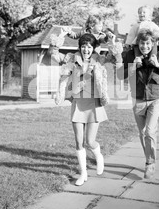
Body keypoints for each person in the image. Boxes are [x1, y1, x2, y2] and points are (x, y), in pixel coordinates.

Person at [49, 29, 122, 186]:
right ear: (80, 47)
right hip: (78, 103)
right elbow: (54, 55)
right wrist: (59, 37)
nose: (86, 49)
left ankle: (98, 156)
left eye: (89, 46)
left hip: (94, 104)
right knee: (79, 142)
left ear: (93, 48)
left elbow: (116, 59)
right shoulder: (72, 59)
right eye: (83, 46)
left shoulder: (99, 60)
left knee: (90, 141)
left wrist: (113, 42)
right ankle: (83, 173)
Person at [116, 29, 159, 180]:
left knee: (150, 131)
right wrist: (133, 66)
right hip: (137, 98)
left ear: (153, 43)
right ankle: (149, 158)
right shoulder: (131, 55)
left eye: (148, 43)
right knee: (143, 133)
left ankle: (150, 163)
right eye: (142, 43)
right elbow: (119, 74)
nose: (145, 46)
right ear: (138, 43)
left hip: (155, 98)